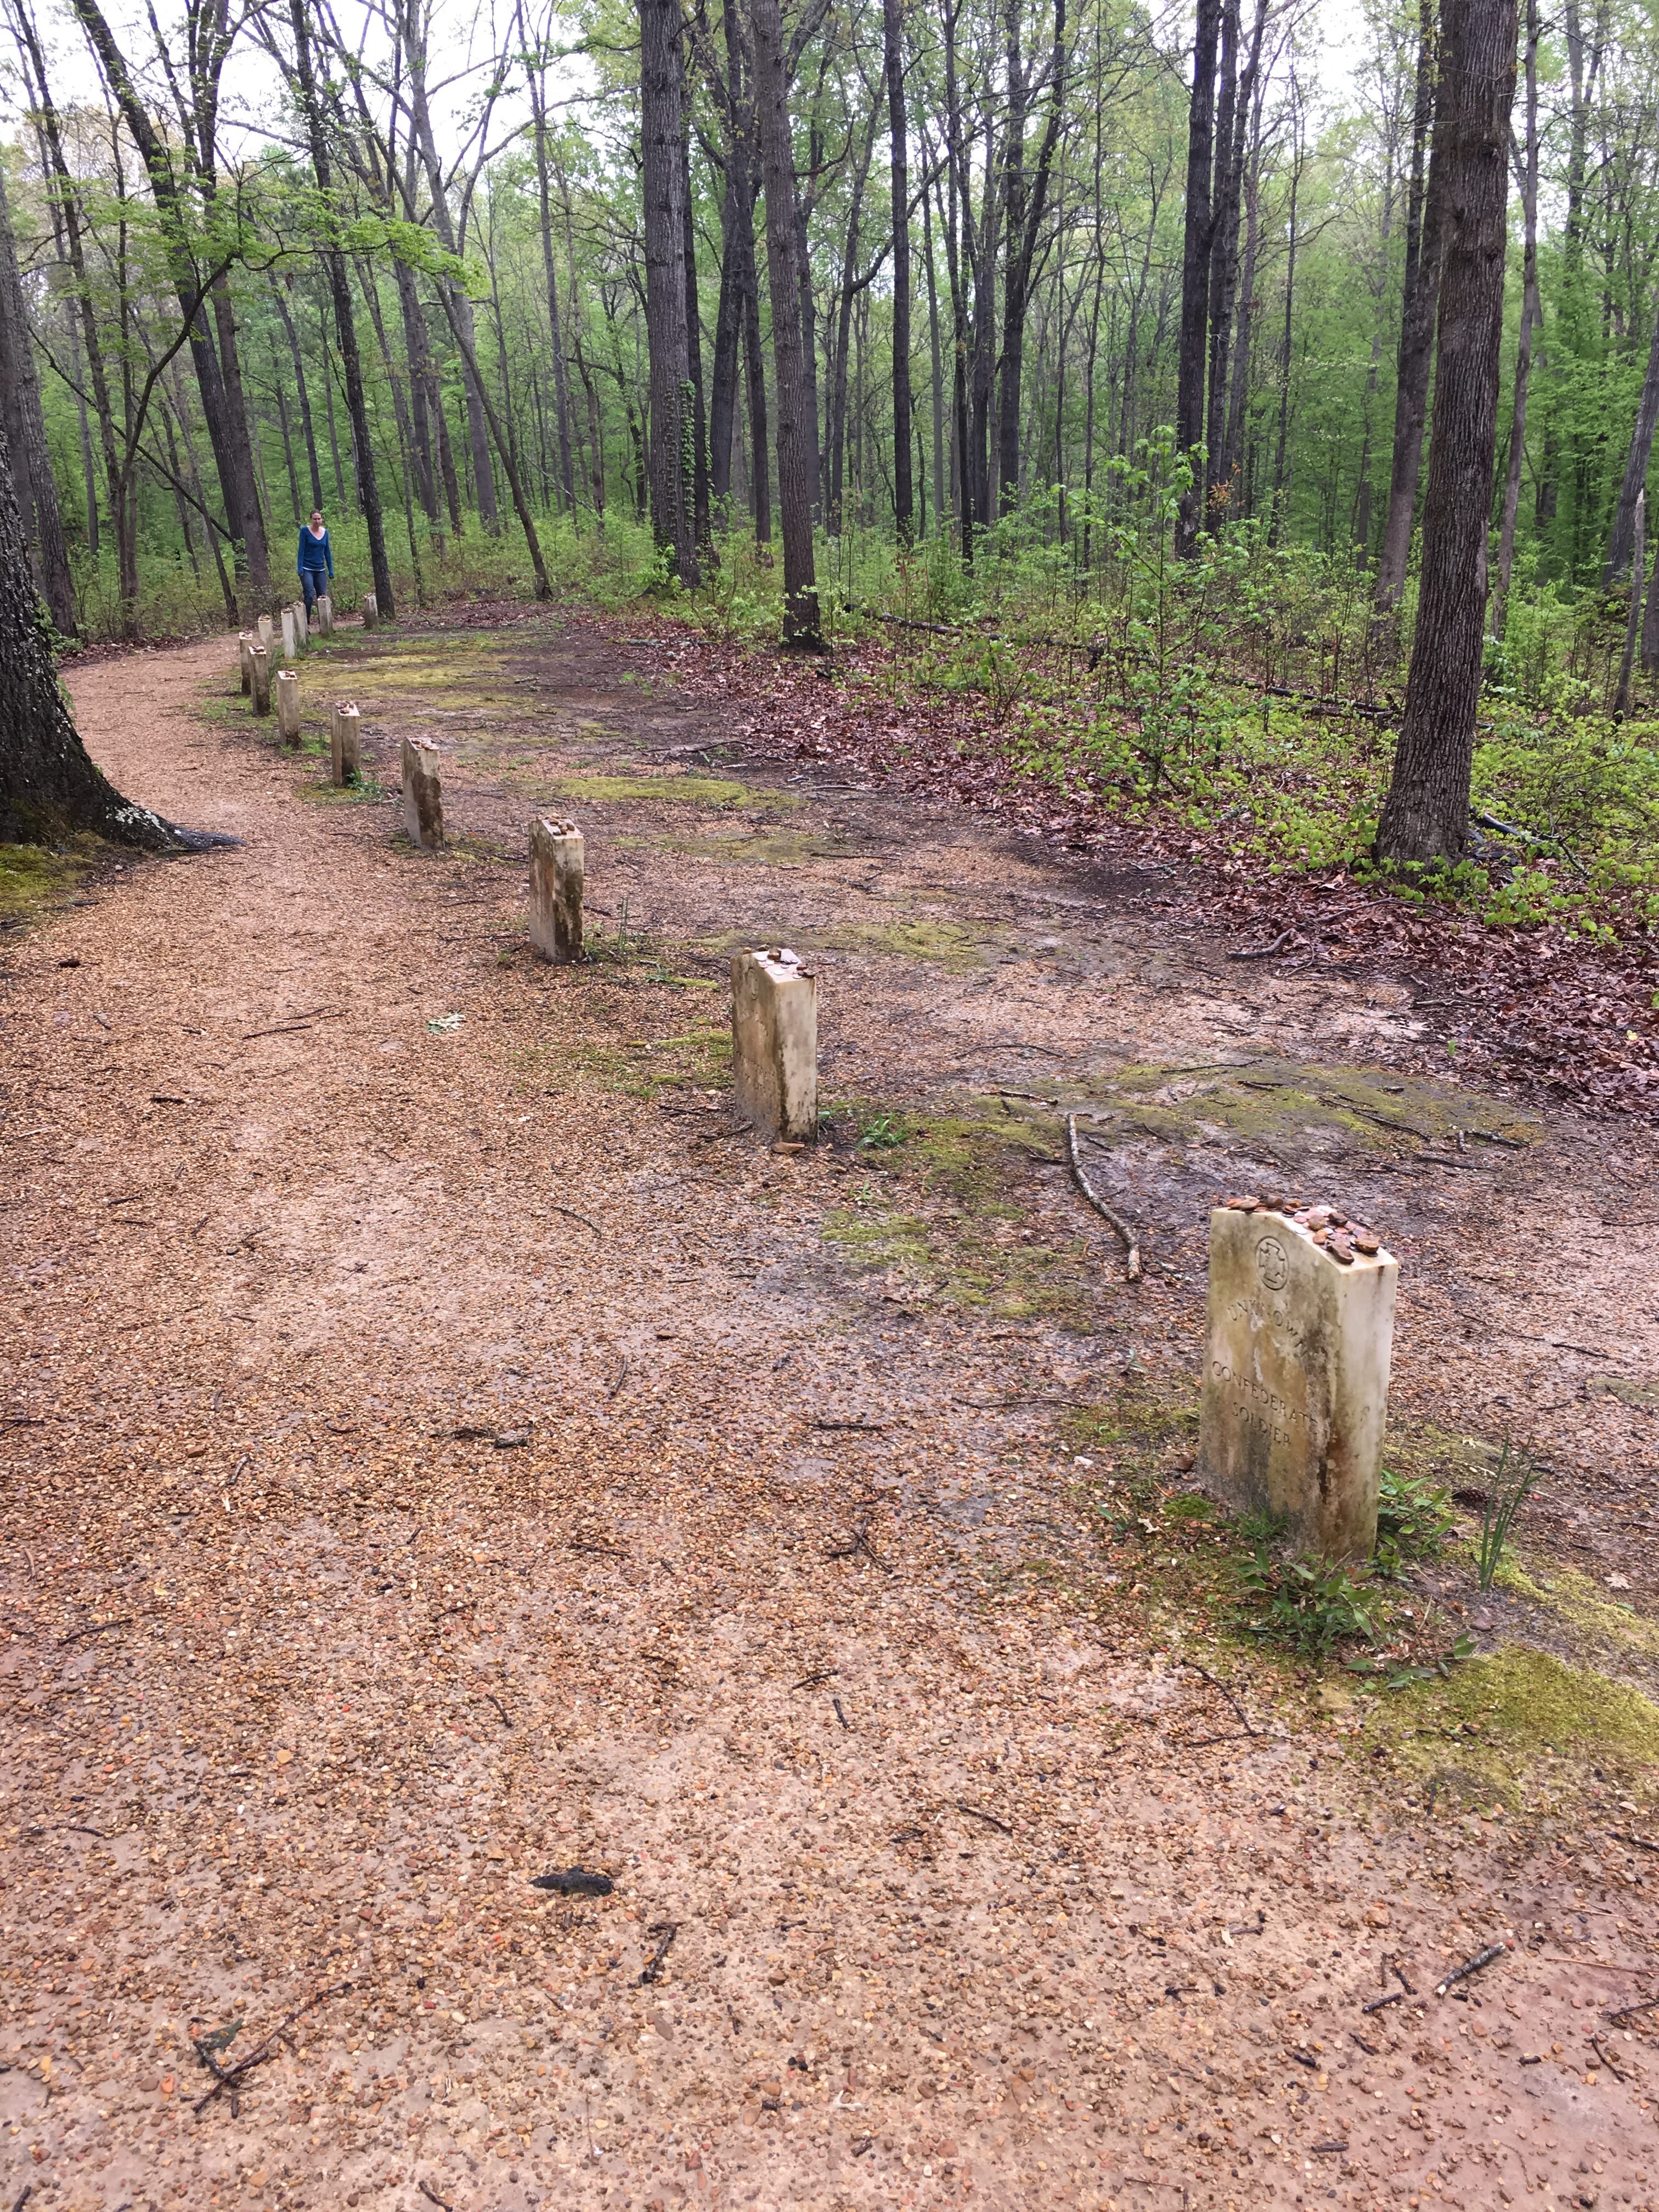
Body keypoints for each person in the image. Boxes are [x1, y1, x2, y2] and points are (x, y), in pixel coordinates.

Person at [297, 509, 333, 616]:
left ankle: (324, 623)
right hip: (307, 568)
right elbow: (301, 551)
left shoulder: (325, 532)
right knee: (309, 595)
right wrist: (300, 568)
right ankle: (306, 622)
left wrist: (330, 569)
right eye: (315, 519)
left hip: (320, 569)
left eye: (319, 519)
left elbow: (327, 552)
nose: (317, 521)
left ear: (322, 519)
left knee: (322, 596)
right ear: (311, 519)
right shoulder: (305, 531)